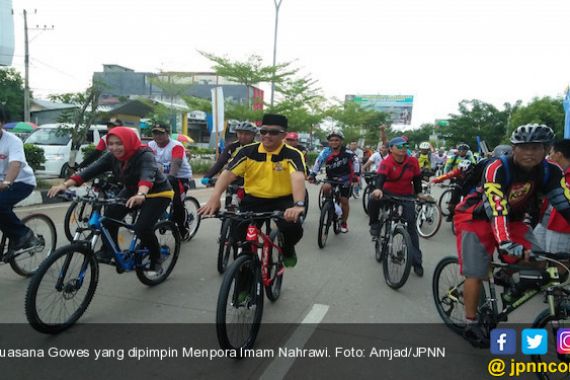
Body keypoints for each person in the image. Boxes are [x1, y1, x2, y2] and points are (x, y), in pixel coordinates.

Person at [454, 124, 570, 347]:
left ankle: (507, 275)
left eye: (537, 147)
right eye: (523, 147)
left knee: (538, 259)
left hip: (513, 219)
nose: (530, 153)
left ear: (547, 149)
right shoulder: (497, 168)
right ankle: (471, 321)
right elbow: (496, 209)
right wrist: (505, 243)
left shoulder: (550, 171)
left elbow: (564, 205)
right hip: (476, 218)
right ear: (513, 148)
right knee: (476, 272)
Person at [48, 127, 174, 274]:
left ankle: (156, 258)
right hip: (132, 190)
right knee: (107, 220)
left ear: (128, 142)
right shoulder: (112, 156)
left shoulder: (144, 155)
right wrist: (65, 185)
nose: (114, 147)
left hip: (158, 193)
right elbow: (89, 171)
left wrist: (141, 194)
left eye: (119, 143)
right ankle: (110, 251)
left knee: (142, 228)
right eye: (111, 143)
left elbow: (148, 175)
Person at [199, 114, 306, 268]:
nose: (267, 135)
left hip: (282, 200)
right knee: (241, 238)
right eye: (264, 131)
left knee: (292, 228)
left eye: (273, 132)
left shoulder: (292, 154)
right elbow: (228, 174)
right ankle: (245, 283)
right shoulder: (248, 151)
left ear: (283, 135)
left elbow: (297, 178)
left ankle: (288, 249)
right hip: (254, 199)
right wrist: (214, 198)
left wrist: (298, 204)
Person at [367, 136, 427, 276]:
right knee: (373, 199)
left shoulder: (412, 161)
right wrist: (378, 189)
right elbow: (380, 178)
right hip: (387, 193)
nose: (403, 148)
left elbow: (417, 178)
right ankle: (375, 224)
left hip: (406, 195)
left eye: (405, 146)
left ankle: (417, 262)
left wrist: (419, 193)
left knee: (411, 228)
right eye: (399, 146)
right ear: (391, 149)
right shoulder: (387, 162)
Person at [0, 109, 41, 253]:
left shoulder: (13, 141)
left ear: (2, 123)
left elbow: (15, 164)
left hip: (21, 182)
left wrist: (6, 183)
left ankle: (25, 235)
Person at [308, 130, 360, 233]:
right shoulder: (326, 152)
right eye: (331, 140)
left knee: (344, 201)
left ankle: (344, 222)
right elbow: (318, 162)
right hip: (331, 178)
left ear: (341, 141)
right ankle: (330, 205)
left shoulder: (348, 152)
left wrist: (356, 176)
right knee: (326, 188)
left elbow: (356, 162)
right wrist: (313, 174)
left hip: (345, 178)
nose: (334, 142)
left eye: (337, 140)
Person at [147, 124, 193, 240]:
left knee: (177, 204)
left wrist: (171, 176)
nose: (158, 136)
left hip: (179, 177)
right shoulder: (151, 145)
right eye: (155, 133)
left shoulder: (176, 146)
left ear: (168, 134)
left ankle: (183, 228)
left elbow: (176, 163)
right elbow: (146, 162)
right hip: (160, 177)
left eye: (161, 133)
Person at [533, 139, 570, 253]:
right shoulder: (554, 172)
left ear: (559, 155)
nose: (548, 157)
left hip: (561, 226)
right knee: (536, 256)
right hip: (544, 223)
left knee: (557, 261)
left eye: (550, 153)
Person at [201, 121, 257, 186]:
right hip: (233, 179)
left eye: (247, 134)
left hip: (252, 181)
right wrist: (208, 176)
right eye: (240, 133)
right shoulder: (232, 147)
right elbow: (220, 162)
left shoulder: (258, 147)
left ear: (253, 135)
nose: (243, 136)